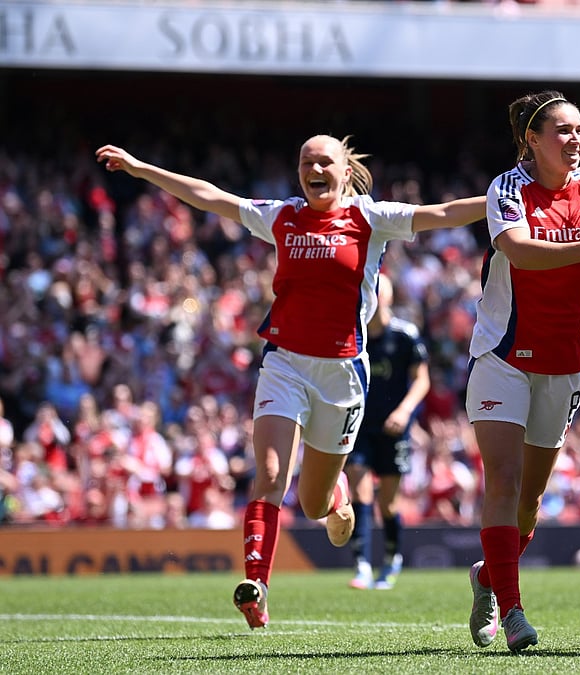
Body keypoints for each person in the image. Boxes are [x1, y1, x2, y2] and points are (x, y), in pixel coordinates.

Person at [96, 137, 485, 629]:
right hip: (284, 364)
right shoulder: (281, 216)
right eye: (306, 161)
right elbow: (210, 196)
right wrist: (141, 168)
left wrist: (508, 199)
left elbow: (446, 213)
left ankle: (337, 499)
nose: (315, 168)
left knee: (314, 502)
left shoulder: (371, 218)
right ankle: (256, 586)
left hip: (342, 375)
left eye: (325, 161)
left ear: (346, 172)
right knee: (271, 474)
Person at [465, 91, 580, 653]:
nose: (575, 140)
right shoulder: (507, 189)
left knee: (529, 502)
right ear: (532, 140)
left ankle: (487, 576)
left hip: (565, 364)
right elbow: (519, 249)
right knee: (505, 481)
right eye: (562, 131)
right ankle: (512, 611)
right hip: (502, 358)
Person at [345, 273, 430, 590]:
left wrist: (405, 411)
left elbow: (422, 379)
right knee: (359, 489)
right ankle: (362, 565)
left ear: (388, 297)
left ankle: (392, 559)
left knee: (389, 505)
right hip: (360, 426)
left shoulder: (405, 335)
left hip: (394, 428)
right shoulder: (355, 336)